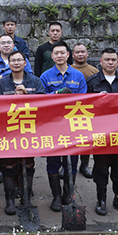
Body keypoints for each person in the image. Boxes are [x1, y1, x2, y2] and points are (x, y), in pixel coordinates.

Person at [0, 50, 46, 214]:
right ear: (8, 64)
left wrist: (27, 96)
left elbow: (45, 104)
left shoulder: (35, 81)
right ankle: (9, 200)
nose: (16, 63)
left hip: (28, 130)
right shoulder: (2, 83)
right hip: (7, 131)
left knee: (28, 164)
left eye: (19, 60)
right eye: (13, 60)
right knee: (8, 166)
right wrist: (12, 99)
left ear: (25, 63)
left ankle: (26, 197)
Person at [39, 41, 87, 212]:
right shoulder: (45, 76)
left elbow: (84, 100)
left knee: (72, 162)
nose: (59, 56)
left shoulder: (78, 76)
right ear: (52, 56)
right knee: (53, 161)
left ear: (68, 55)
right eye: (56, 53)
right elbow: (40, 99)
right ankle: (56, 196)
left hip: (72, 125)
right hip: (52, 125)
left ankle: (68, 194)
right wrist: (56, 93)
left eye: (62, 53)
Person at [86, 48, 118, 216]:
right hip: (101, 133)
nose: (110, 62)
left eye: (113, 59)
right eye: (107, 59)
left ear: (117, 62)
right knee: (101, 167)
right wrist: (97, 101)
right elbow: (85, 108)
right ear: (101, 62)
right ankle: (101, 200)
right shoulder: (92, 82)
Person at [71, 43, 99, 178]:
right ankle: (69, 165)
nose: (80, 54)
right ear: (72, 55)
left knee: (86, 140)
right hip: (71, 111)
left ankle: (85, 164)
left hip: (88, 111)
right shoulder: (69, 70)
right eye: (77, 52)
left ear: (87, 54)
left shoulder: (94, 71)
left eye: (83, 52)